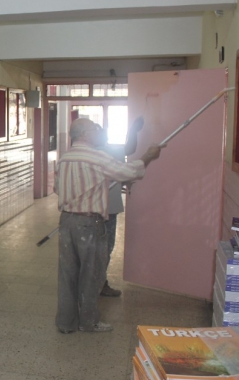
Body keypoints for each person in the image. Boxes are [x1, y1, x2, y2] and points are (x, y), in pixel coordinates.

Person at [54, 118, 162, 334]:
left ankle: (65, 323)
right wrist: (148, 156)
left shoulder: (64, 159)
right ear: (84, 134)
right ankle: (88, 322)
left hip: (66, 222)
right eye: (94, 128)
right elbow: (129, 172)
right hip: (89, 224)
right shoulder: (96, 156)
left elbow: (58, 189)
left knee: (67, 274)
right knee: (91, 274)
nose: (99, 130)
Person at [99, 116, 144, 297]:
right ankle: (98, 284)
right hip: (104, 210)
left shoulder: (102, 151)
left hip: (93, 209)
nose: (105, 136)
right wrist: (133, 130)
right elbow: (130, 149)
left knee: (99, 249)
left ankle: (96, 283)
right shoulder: (107, 152)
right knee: (104, 248)